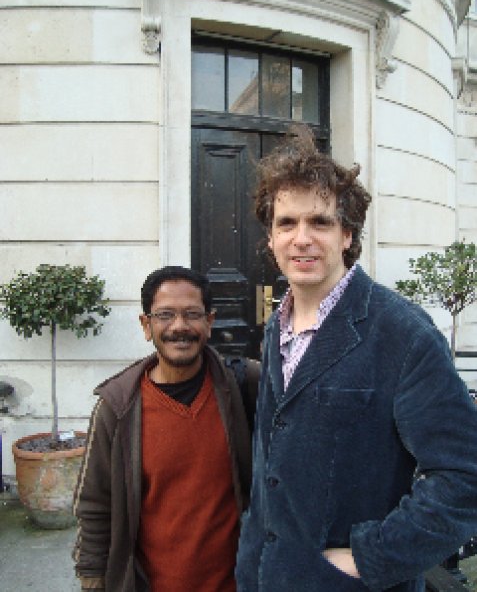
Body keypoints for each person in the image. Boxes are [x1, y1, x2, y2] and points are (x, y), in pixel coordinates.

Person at [235, 126, 477, 592]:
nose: (301, 238)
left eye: (319, 222)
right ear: (270, 239)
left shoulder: (403, 333)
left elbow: (465, 476)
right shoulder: (275, 327)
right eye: (286, 224)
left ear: (346, 234)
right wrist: (251, 564)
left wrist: (372, 557)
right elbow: (272, 468)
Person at [73, 265, 260, 592]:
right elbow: (94, 502)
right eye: (165, 315)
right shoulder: (118, 408)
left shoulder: (246, 387)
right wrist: (92, 574)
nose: (180, 327)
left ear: (209, 322)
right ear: (146, 325)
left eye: (192, 314)